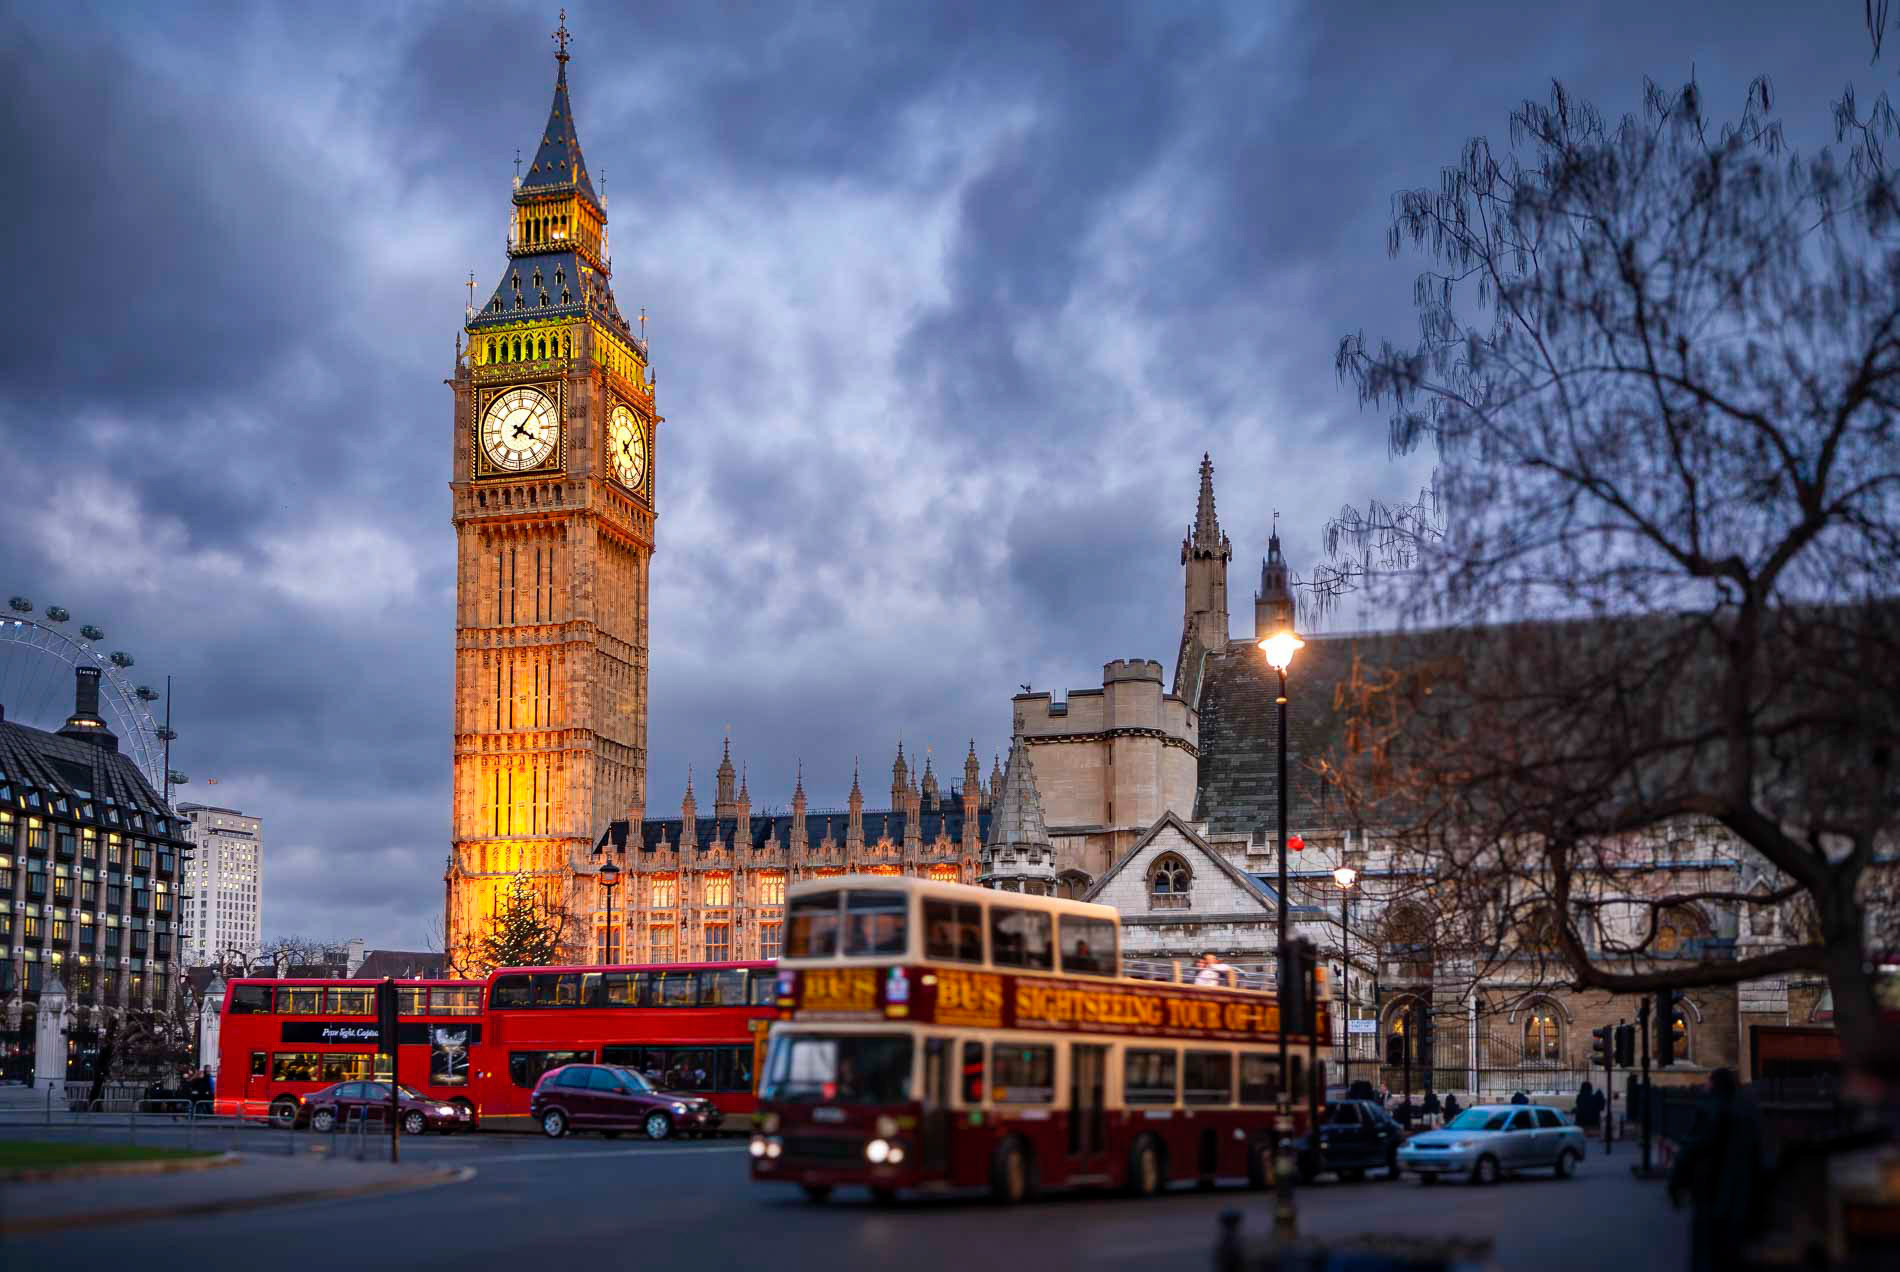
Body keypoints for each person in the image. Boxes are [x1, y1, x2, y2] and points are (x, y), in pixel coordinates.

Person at [1668, 1068, 1763, 1272]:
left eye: (1708, 1081)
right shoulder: (1749, 1113)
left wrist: (1676, 1185)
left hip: (1709, 1192)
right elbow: (1759, 1154)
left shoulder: (1710, 1109)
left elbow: (1691, 1150)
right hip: (1740, 1195)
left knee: (1706, 1252)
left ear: (1714, 1084)